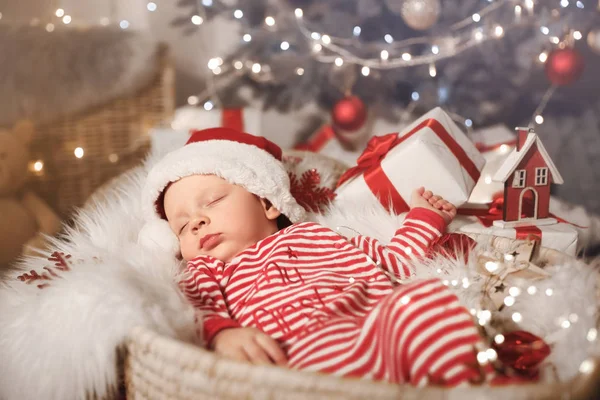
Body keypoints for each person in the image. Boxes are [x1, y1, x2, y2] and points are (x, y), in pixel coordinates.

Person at [142, 127, 492, 387]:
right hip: (294, 352)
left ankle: (476, 388)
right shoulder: (210, 269)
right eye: (183, 226)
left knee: (423, 303)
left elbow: (396, 263)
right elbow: (196, 305)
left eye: (213, 201)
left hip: (376, 329)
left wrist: (424, 218)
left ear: (267, 202)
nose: (198, 222)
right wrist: (223, 335)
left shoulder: (321, 235)